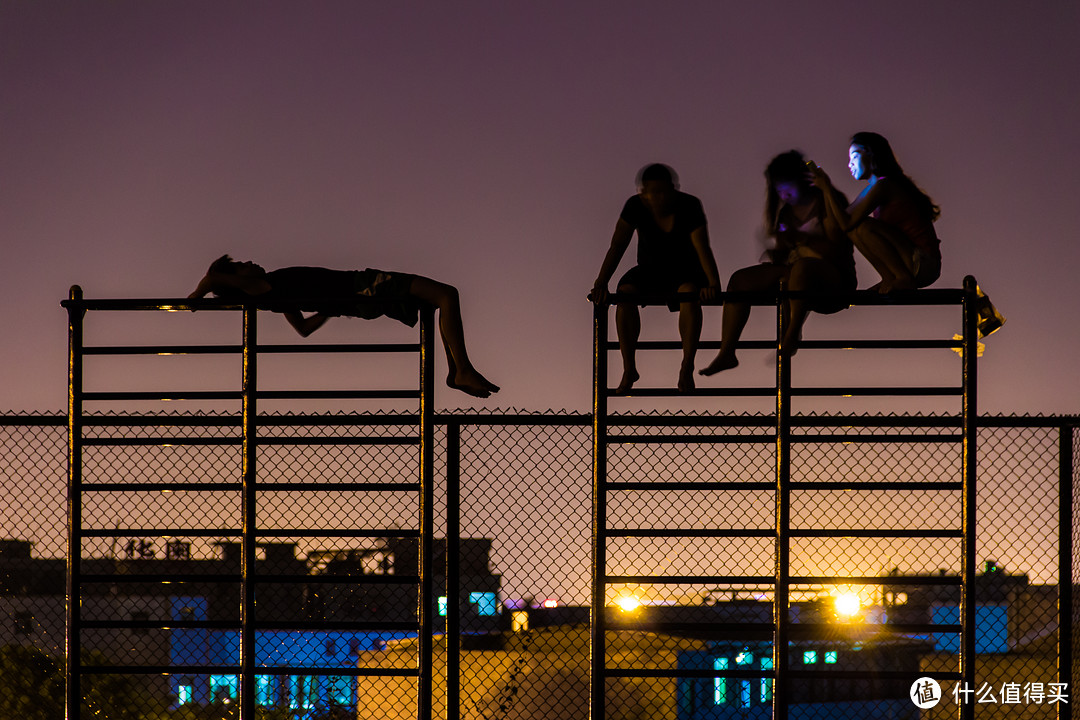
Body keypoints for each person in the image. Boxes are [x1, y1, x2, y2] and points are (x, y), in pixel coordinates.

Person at [188, 256, 499, 398]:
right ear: (238, 280)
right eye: (241, 265)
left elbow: (304, 329)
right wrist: (195, 296)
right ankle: (461, 370)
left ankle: (455, 370)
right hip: (362, 286)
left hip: (355, 299)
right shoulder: (261, 286)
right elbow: (212, 278)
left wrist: (330, 310)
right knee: (446, 294)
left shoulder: (274, 296)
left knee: (435, 302)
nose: (250, 262)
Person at [699, 150, 856, 374]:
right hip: (794, 273)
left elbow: (837, 245)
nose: (783, 193)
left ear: (802, 180)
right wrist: (776, 254)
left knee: (802, 268)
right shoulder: (785, 214)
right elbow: (785, 251)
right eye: (777, 188)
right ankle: (727, 352)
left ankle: (791, 334)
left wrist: (802, 243)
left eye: (786, 186)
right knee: (740, 280)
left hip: (833, 278)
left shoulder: (828, 200)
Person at [589, 164, 723, 393]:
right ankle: (629, 368)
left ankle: (687, 365)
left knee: (689, 294)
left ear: (674, 190)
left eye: (664, 192)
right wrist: (601, 282)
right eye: (653, 193)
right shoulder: (635, 206)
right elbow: (618, 244)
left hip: (685, 269)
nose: (659, 198)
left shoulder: (689, 205)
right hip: (649, 268)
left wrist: (713, 283)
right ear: (643, 193)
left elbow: (702, 246)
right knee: (625, 295)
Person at [809, 132, 941, 293]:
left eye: (855, 157)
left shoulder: (884, 186)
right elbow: (839, 224)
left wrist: (828, 189)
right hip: (910, 260)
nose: (850, 164)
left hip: (923, 262)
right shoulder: (872, 189)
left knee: (863, 226)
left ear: (871, 154)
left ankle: (902, 278)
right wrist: (824, 190)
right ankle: (889, 277)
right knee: (856, 229)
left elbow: (846, 223)